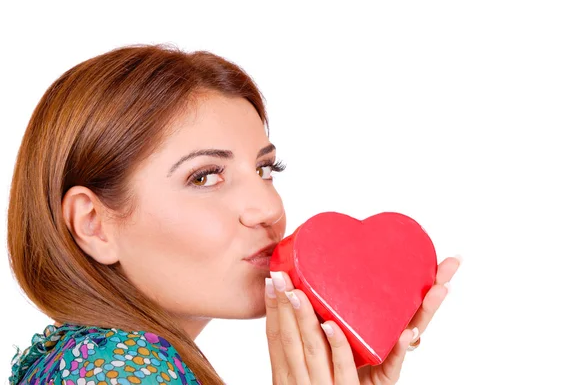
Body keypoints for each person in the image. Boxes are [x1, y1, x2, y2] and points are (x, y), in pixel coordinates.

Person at [7, 44, 461, 384]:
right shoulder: (116, 371)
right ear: (94, 224)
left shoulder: (88, 359)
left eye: (265, 169)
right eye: (204, 177)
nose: (268, 208)